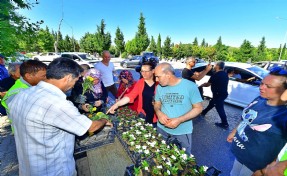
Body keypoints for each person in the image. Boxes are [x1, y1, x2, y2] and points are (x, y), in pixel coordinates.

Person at [8, 57, 111, 176]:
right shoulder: (57, 103)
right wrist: (104, 119)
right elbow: (91, 127)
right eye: (75, 81)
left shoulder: (22, 94)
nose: (73, 85)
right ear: (67, 78)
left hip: (29, 168)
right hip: (52, 169)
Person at [226, 67, 287, 176]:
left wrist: (274, 166)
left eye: (268, 86)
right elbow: (245, 117)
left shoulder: (283, 115)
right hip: (241, 153)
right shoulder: (259, 99)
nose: (262, 87)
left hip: (256, 165)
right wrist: (235, 131)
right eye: (262, 83)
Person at [153, 63, 203, 155]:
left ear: (168, 74)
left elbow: (198, 108)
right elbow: (157, 104)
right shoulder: (159, 87)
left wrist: (180, 119)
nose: (156, 80)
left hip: (182, 132)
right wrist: (159, 113)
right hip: (162, 129)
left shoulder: (190, 86)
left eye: (158, 77)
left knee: (183, 160)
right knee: (161, 156)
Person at [107, 61, 158, 126]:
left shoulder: (159, 83)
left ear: (153, 71)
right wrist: (116, 105)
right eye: (142, 71)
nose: (143, 74)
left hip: (157, 116)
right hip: (144, 114)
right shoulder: (140, 82)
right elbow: (130, 96)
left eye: (146, 71)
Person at [200, 61, 229, 129]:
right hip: (223, 93)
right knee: (212, 103)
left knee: (219, 108)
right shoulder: (225, 74)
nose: (214, 66)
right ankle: (203, 112)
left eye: (215, 65)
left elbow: (208, 84)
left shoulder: (216, 74)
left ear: (218, 66)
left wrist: (201, 85)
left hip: (218, 95)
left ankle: (225, 124)